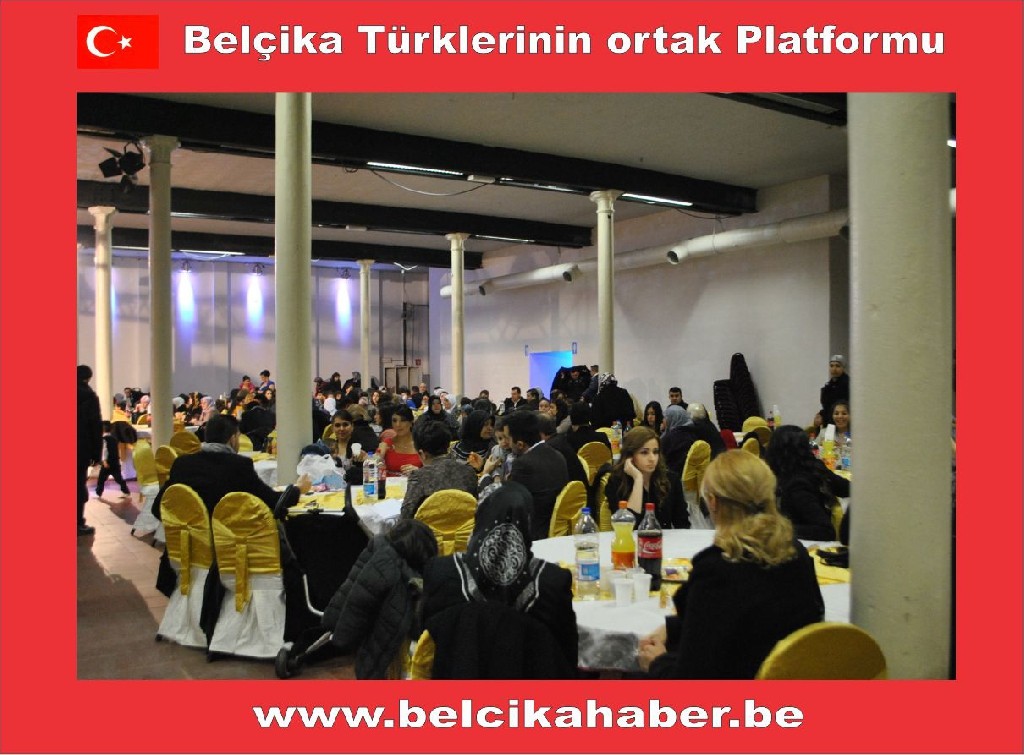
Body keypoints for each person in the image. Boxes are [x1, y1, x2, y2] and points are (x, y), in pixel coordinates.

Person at [639, 450, 824, 679]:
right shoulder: (795, 553)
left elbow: (692, 680)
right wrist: (673, 628)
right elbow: (745, 620)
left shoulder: (717, 570)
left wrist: (657, 663)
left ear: (713, 502)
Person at [421, 482, 578, 677]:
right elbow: (567, 658)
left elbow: (425, 649)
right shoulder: (552, 582)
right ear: (529, 523)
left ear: (479, 520)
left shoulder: (440, 573)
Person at [321, 519, 438, 679]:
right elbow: (360, 604)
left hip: (374, 652)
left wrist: (335, 625)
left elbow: (354, 592)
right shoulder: (406, 578)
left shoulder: (378, 551)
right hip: (393, 655)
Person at [764, 425, 850, 541]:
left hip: (802, 542)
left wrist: (781, 528)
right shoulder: (815, 467)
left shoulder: (796, 486)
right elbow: (848, 488)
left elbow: (825, 531)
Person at [603, 426, 689, 529]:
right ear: (630, 456)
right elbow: (628, 526)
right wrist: (638, 479)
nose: (652, 458)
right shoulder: (617, 482)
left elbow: (683, 524)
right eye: (644, 452)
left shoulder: (670, 479)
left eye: (655, 452)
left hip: (663, 538)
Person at [503, 410, 568, 540]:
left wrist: (486, 476)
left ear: (520, 444)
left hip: (533, 535)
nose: (506, 443)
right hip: (560, 530)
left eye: (507, 438)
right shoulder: (557, 454)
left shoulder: (523, 464)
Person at [400, 421, 479, 519]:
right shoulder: (468, 471)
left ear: (422, 454)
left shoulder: (419, 477)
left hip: (429, 528)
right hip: (465, 527)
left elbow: (406, 516)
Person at [77, 365, 103, 535]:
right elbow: (95, 426)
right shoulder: (89, 396)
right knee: (78, 484)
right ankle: (77, 522)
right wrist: (96, 453)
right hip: (80, 448)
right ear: (88, 378)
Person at [377, 405, 422, 476]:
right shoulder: (386, 443)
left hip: (415, 482)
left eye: (403, 420)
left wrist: (419, 471)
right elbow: (373, 469)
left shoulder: (421, 443)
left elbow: (433, 471)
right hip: (389, 482)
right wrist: (380, 457)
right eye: (394, 421)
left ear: (411, 422)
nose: (398, 425)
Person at [660, 404, 701, 477]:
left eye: (665, 418)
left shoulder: (670, 438)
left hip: (672, 477)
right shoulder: (693, 433)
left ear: (672, 418)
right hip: (690, 477)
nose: (663, 421)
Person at [96, 421, 131, 498]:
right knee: (119, 478)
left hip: (107, 462)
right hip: (115, 461)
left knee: (101, 478)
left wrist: (104, 461)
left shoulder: (104, 439)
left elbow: (105, 450)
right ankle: (126, 491)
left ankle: (98, 493)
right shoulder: (114, 439)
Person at [818, 354, 850, 426]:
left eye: (837, 366)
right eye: (831, 366)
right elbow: (827, 406)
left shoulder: (848, 385)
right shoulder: (829, 385)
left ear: (843, 368)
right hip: (830, 422)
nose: (834, 369)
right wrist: (820, 414)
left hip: (842, 423)